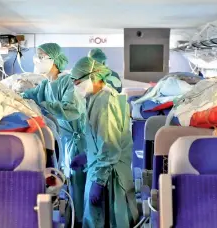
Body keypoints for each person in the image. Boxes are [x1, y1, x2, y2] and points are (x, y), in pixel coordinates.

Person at [22, 43, 86, 225]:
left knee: (79, 185)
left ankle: (80, 222)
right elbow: (30, 95)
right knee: (69, 183)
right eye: (37, 56)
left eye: (41, 57)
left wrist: (45, 105)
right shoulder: (45, 84)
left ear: (54, 60)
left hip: (77, 141)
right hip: (64, 139)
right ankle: (74, 218)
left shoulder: (67, 82)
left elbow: (71, 109)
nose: (37, 60)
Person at [70, 57, 138, 228]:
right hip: (102, 167)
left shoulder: (105, 102)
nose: (75, 86)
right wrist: (88, 155)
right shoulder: (97, 97)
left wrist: (99, 182)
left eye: (78, 81)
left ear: (93, 77)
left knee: (107, 220)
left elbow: (109, 145)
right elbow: (100, 137)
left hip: (109, 175)